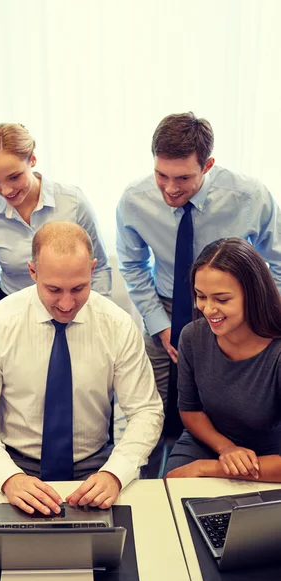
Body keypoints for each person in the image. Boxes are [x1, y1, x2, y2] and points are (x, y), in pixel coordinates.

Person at [0, 222, 163, 515]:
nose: (67, 304)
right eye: (53, 289)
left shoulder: (117, 325)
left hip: (96, 465)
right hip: (14, 463)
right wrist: (8, 477)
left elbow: (146, 410)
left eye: (78, 288)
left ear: (93, 270)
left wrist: (115, 472)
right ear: (32, 272)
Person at [116, 112, 281, 410]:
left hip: (236, 310)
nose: (170, 188)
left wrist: (259, 314)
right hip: (166, 307)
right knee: (149, 407)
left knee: (225, 406)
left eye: (183, 178)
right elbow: (132, 265)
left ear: (207, 166)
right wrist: (159, 324)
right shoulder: (134, 200)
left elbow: (279, 263)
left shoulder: (249, 197)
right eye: (161, 175)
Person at [165, 238, 281, 482]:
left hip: (272, 455)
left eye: (222, 299)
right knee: (171, 487)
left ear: (254, 295)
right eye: (201, 296)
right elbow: (190, 410)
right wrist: (226, 449)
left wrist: (208, 468)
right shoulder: (193, 336)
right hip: (208, 441)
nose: (207, 309)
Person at [0, 123, 112, 318]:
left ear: (32, 160)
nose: (6, 190)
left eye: (14, 177)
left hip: (73, 309)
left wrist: (96, 318)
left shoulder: (73, 202)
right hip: (14, 314)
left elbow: (100, 270)